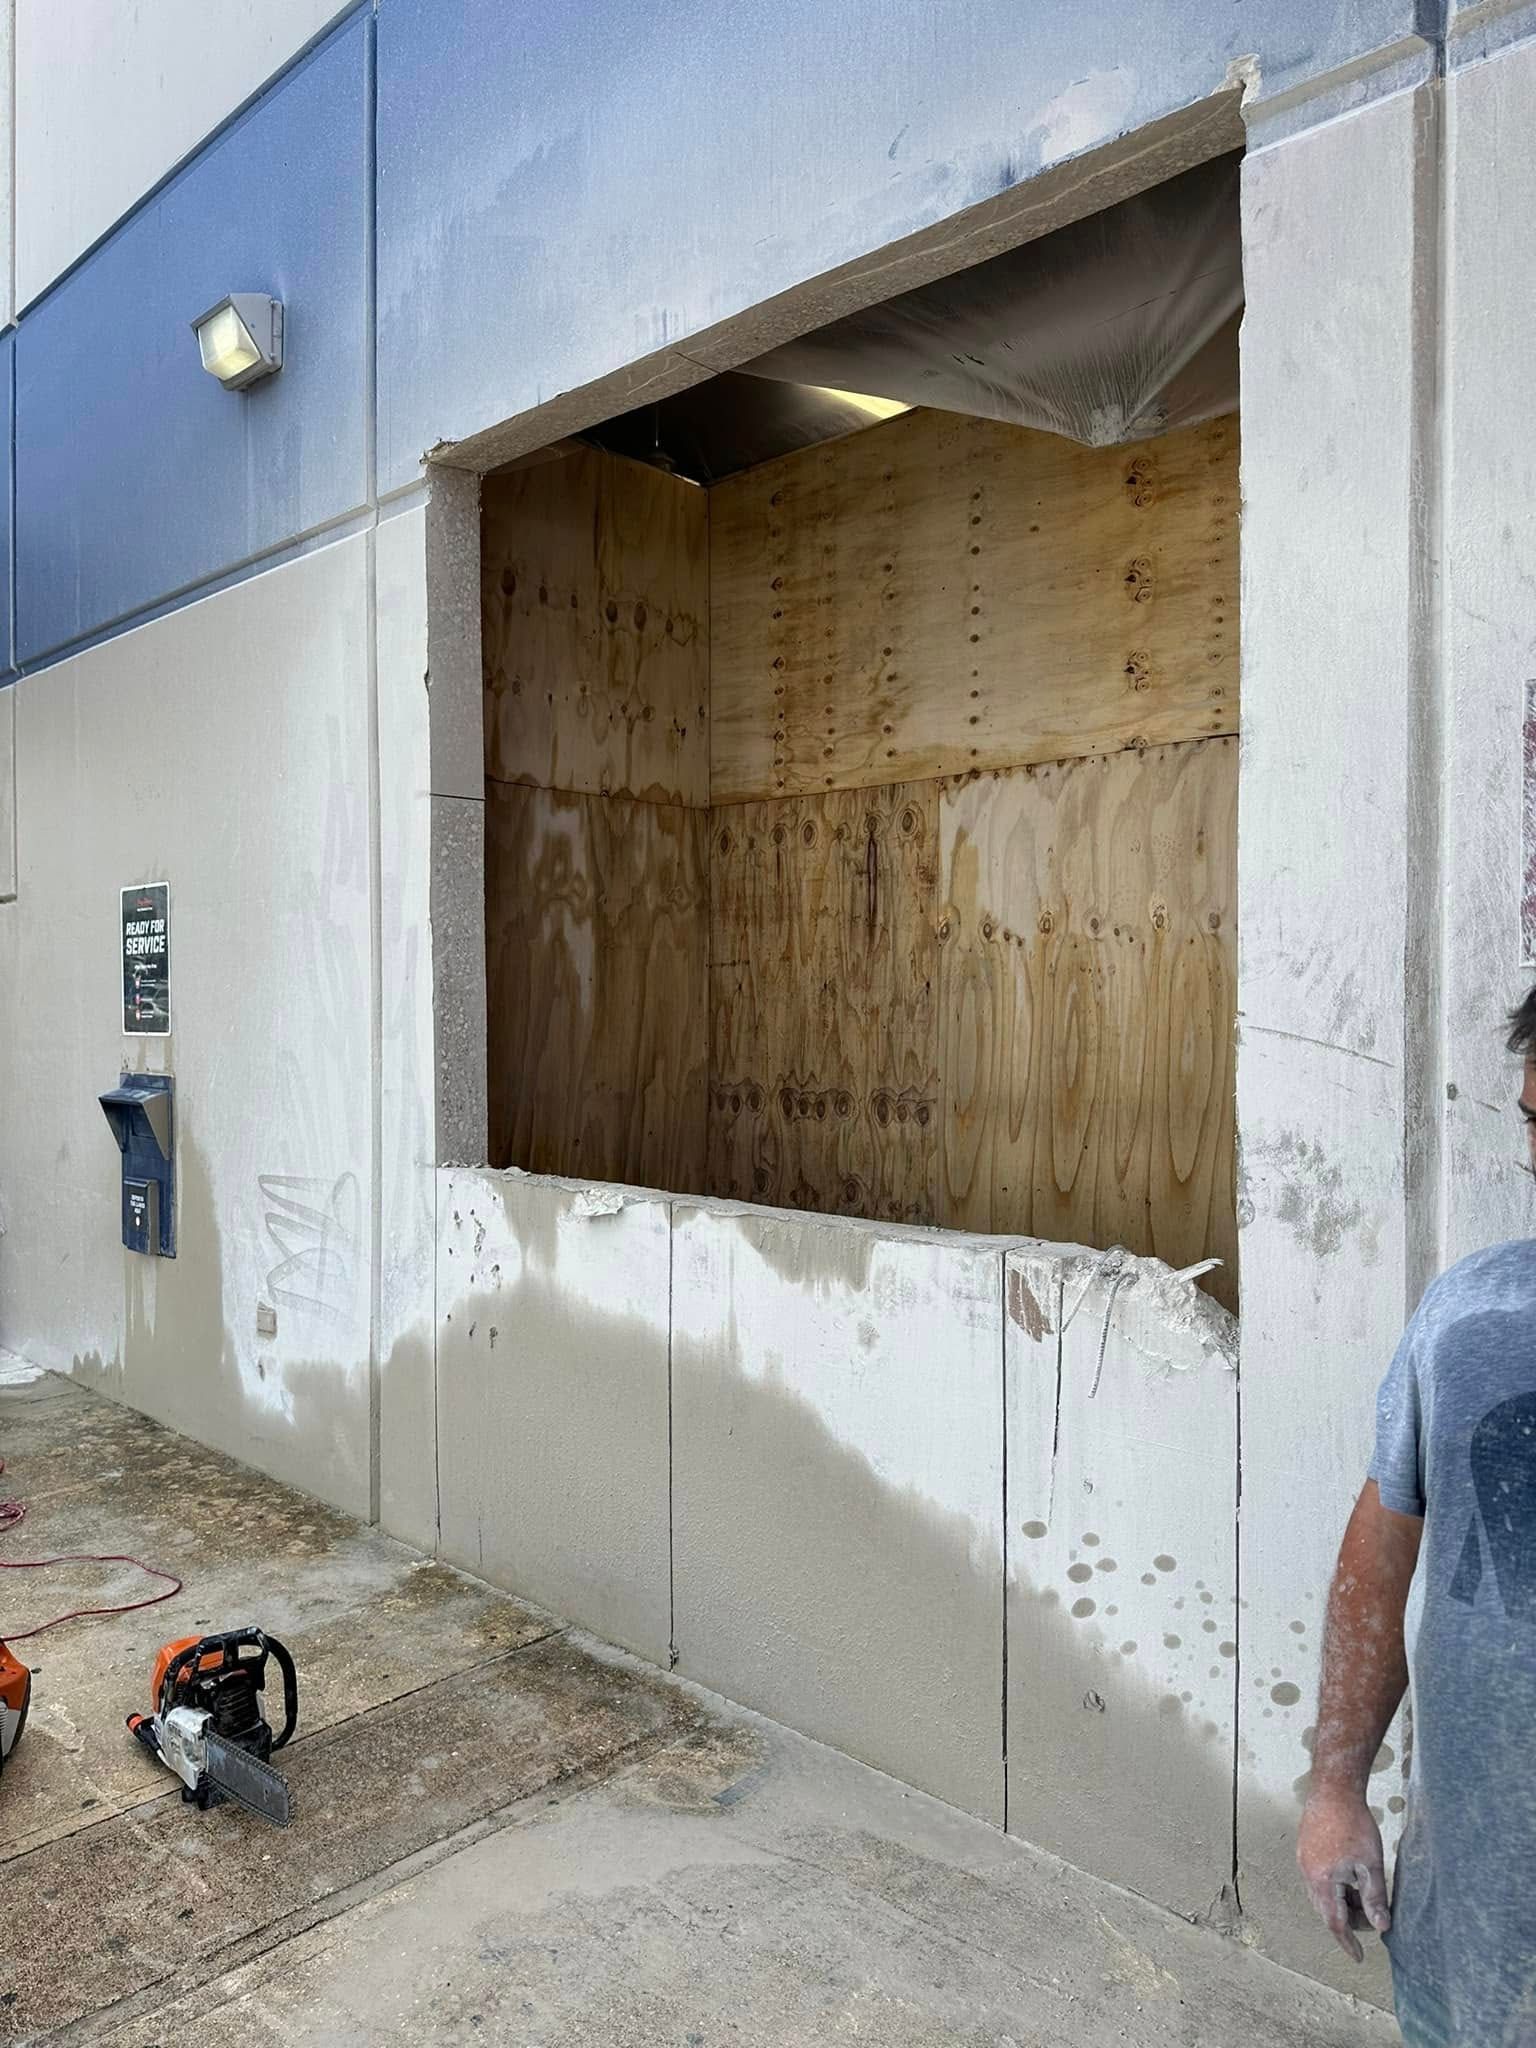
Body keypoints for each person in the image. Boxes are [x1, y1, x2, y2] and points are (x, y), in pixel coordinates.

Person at [1298, 990, 1536, 2044]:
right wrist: (1336, 1785)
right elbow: (1379, 1559)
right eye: (1535, 1122)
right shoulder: (1467, 1316)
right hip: (1465, 1942)